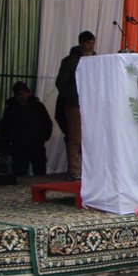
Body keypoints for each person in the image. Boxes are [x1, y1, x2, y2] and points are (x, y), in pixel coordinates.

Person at [54, 31, 95, 179]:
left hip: (92, 104)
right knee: (76, 138)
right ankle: (74, 170)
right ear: (81, 43)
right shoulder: (70, 61)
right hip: (75, 105)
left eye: (93, 42)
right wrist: (71, 98)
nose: (91, 46)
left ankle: (90, 170)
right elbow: (61, 83)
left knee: (92, 137)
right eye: (88, 42)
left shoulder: (96, 60)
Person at [0, 81, 53, 176]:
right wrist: (11, 140)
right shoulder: (11, 109)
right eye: (19, 94)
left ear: (28, 93)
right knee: (20, 174)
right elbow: (5, 127)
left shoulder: (38, 106)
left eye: (23, 93)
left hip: (37, 145)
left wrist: (43, 137)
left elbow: (47, 123)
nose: (22, 96)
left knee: (40, 173)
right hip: (19, 147)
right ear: (16, 96)